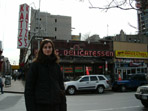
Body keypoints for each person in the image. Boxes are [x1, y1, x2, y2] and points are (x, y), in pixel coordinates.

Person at [24, 39, 67, 111]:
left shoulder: (56, 66)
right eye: (45, 47)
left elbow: (61, 88)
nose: (47, 49)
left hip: (56, 106)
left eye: (50, 47)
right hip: (40, 106)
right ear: (41, 49)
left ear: (53, 49)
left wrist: (63, 108)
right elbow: (29, 89)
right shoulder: (35, 65)